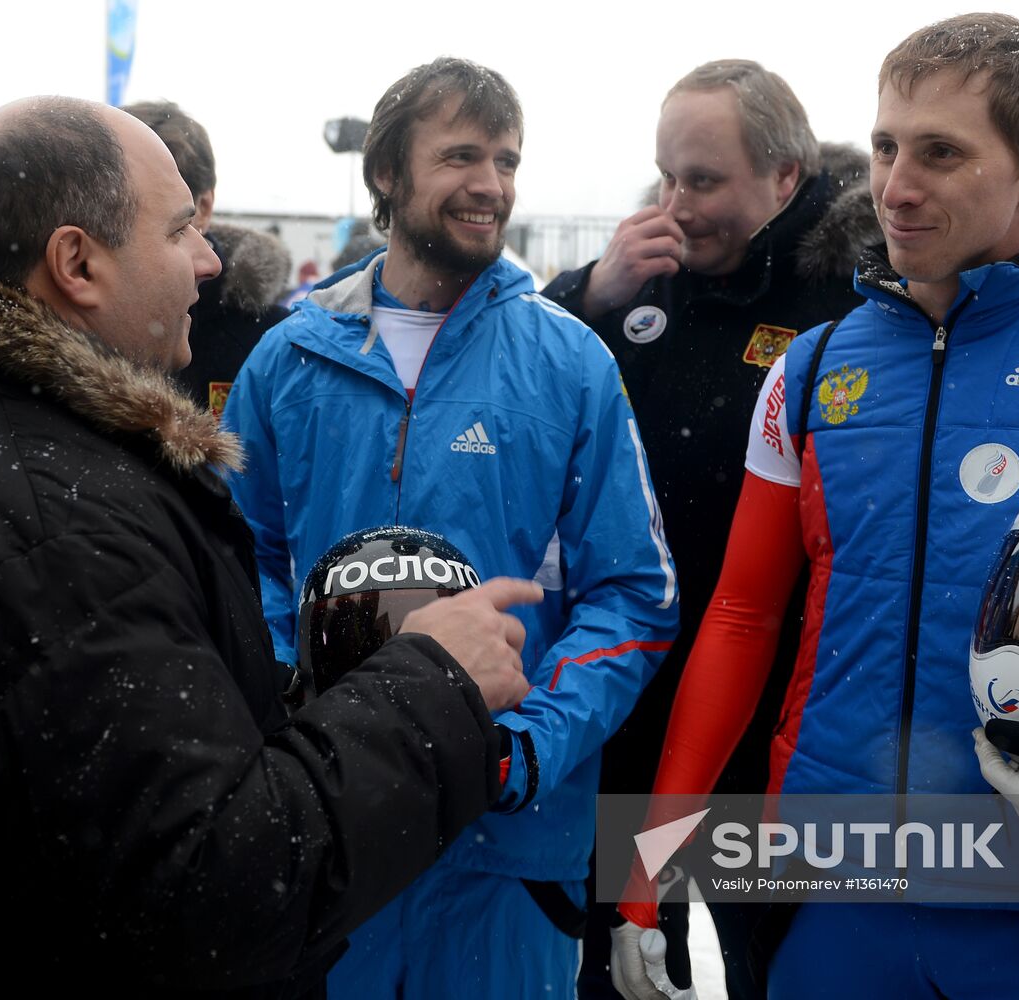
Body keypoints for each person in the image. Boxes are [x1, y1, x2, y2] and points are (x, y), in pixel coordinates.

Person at [611, 14, 1019, 1000]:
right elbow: (741, 619)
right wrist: (647, 874)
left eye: (941, 152)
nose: (895, 187)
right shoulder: (810, 372)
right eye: (885, 145)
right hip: (819, 890)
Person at [0, 95, 541, 997]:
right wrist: (434, 680)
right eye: (182, 228)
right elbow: (220, 893)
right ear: (77, 262)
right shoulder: (60, 528)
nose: (210, 259)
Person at [221, 57, 679, 999]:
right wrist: (294, 691)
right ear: (387, 173)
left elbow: (635, 596)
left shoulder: (569, 363)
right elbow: (242, 563)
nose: (492, 186)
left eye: (506, 160)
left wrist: (526, 746)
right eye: (461, 156)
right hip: (327, 820)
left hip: (507, 844)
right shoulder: (287, 359)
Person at [542, 58, 878, 997]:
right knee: (619, 964)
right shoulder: (639, 284)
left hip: (776, 702)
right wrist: (590, 298)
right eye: (666, 176)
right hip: (638, 686)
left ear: (785, 178)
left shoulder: (849, 301)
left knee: (770, 960)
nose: (677, 203)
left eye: (703, 180)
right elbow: (524, 365)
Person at [123, 99, 292, 420]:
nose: (132, 229)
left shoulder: (273, 339)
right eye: (125, 209)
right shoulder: (79, 320)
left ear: (204, 206)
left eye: (168, 213)